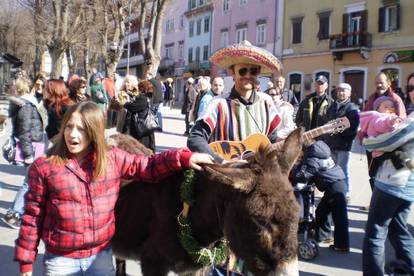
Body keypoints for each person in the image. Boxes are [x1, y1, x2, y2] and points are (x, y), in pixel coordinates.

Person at [13, 101, 213, 276]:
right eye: (69, 127)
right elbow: (32, 217)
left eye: (81, 129)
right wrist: (26, 262)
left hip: (100, 258)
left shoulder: (112, 159)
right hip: (60, 262)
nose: (73, 134)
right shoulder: (45, 167)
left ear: (94, 132)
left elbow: (148, 165)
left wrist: (185, 157)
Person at [188, 40, 284, 164]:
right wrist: (221, 162)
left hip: (257, 175)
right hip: (224, 176)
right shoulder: (218, 104)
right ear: (232, 72)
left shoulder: (267, 102)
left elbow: (271, 137)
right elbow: (195, 138)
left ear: (258, 72)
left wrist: (285, 142)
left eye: (253, 71)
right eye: (242, 71)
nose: (248, 75)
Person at [362, 124, 414, 275]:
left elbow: (386, 142)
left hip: (393, 185)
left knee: (374, 236)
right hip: (407, 185)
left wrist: (368, 139)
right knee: (398, 231)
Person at [1, 78, 45, 230]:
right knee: (29, 182)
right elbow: (24, 133)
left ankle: (18, 212)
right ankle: (13, 214)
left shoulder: (25, 104)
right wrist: (28, 155)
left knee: (30, 181)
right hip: (31, 148)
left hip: (33, 146)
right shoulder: (26, 107)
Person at [292, 140, 349, 252]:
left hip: (334, 187)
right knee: (321, 211)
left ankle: (342, 246)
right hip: (338, 182)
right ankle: (325, 237)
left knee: (339, 217)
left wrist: (296, 167)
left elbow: (301, 177)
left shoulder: (311, 159)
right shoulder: (320, 150)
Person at [325, 83, 360, 200]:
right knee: (332, 169)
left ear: (349, 93)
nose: (341, 93)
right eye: (339, 90)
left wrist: (337, 131)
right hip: (332, 144)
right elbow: (327, 122)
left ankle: (346, 192)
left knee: (343, 170)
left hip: (344, 145)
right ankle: (334, 190)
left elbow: (353, 128)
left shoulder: (352, 108)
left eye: (344, 91)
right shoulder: (332, 106)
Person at [124, 80, 157, 152]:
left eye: (139, 88)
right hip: (147, 127)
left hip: (141, 128)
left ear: (142, 88)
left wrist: (125, 103)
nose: (138, 89)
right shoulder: (149, 97)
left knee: (141, 149)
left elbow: (132, 107)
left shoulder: (143, 98)